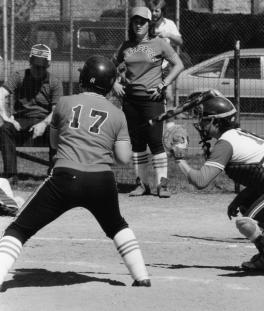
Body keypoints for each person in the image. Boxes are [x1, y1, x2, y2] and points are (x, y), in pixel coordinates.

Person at [0, 55, 151, 289]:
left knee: (18, 229)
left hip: (64, 178)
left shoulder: (65, 103)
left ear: (83, 79)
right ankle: (142, 276)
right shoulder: (117, 114)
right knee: (117, 226)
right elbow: (123, 159)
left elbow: (53, 142)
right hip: (102, 181)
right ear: (110, 84)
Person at [172, 90, 264, 277]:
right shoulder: (234, 135)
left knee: (249, 222)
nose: (201, 124)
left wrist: (178, 158)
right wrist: (240, 198)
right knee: (247, 208)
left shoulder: (226, 143)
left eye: (206, 120)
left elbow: (201, 181)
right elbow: (261, 176)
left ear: (216, 121)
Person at [112, 6, 184, 198]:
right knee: (137, 144)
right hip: (130, 101)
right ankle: (142, 184)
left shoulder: (159, 43)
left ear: (149, 24)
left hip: (152, 101)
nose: (138, 25)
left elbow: (179, 65)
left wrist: (163, 85)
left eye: (142, 22)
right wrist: (114, 84)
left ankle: (162, 185)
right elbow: (112, 68)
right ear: (131, 23)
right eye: (135, 21)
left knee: (155, 142)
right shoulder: (125, 46)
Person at [0, 44, 63, 184]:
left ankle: (52, 176)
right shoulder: (19, 76)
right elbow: (1, 93)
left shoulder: (55, 82)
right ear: (30, 62)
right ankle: (10, 175)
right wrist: (5, 118)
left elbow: (56, 111)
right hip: (22, 119)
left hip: (44, 120)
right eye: (35, 66)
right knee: (5, 129)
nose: (38, 70)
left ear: (48, 65)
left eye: (42, 67)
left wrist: (44, 123)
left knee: (57, 130)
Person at [148, 0, 183, 110]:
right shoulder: (146, 24)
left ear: (162, 12)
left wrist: (168, 34)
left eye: (156, 11)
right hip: (149, 67)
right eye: (152, 10)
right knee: (151, 96)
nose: (153, 13)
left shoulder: (169, 24)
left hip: (164, 67)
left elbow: (180, 41)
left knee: (168, 96)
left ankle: (170, 125)